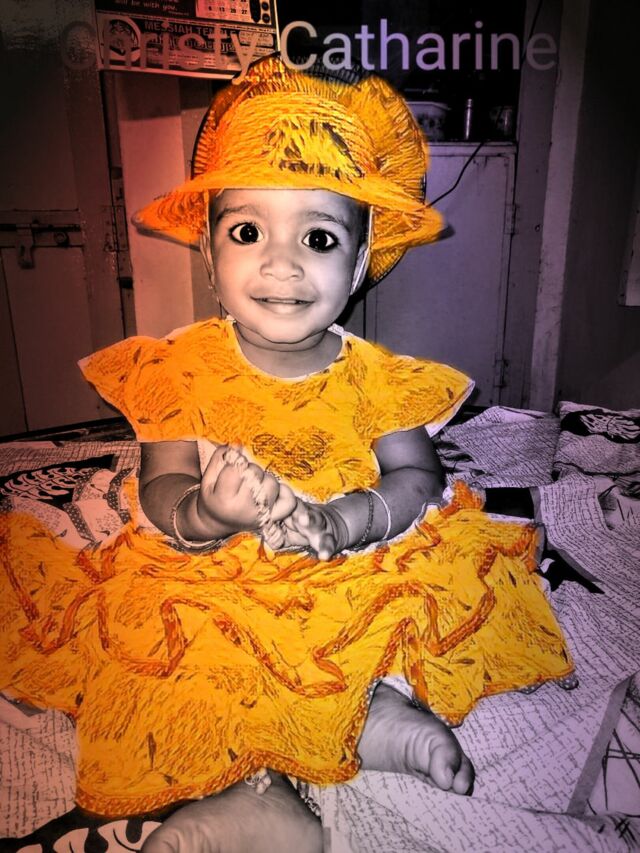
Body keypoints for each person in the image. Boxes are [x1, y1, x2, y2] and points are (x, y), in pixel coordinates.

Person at [0, 56, 573, 852]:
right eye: (247, 231)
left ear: (359, 260)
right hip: (216, 566)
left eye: (318, 237)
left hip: (345, 560)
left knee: (409, 602)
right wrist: (206, 511)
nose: (281, 262)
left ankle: (374, 715)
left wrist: (349, 519)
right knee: (176, 645)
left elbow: (418, 475)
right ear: (208, 253)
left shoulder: (378, 377)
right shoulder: (177, 368)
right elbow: (162, 487)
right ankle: (253, 795)